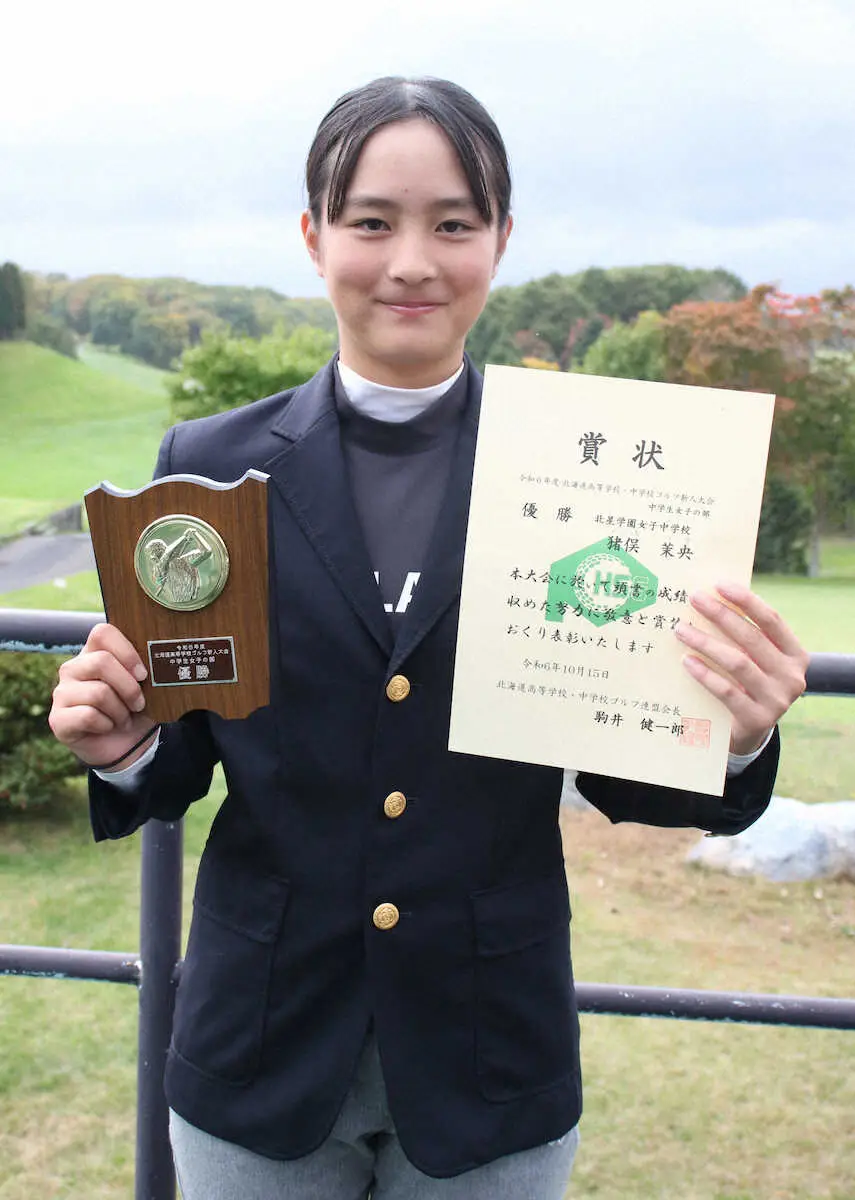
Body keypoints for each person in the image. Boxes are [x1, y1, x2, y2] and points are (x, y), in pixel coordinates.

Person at [49, 76, 809, 1199]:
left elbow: (621, 767)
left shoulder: (582, 466)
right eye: (372, 221)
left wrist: (732, 733)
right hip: (261, 1051)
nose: (412, 260)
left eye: (454, 223)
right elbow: (193, 754)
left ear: (502, 240)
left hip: (488, 1057)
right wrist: (125, 746)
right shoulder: (206, 465)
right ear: (314, 239)